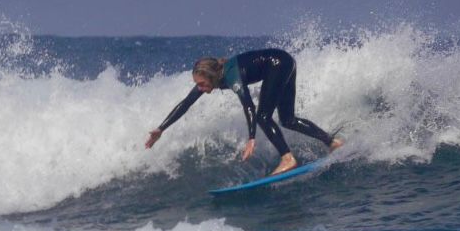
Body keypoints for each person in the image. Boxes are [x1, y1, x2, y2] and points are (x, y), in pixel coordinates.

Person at [145, 48, 342, 175]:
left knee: (263, 117)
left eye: (202, 84)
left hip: (278, 64)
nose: (201, 89)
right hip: (285, 61)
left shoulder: (232, 77)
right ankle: (332, 142)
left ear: (211, 76)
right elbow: (186, 103)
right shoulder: (213, 79)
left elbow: (248, 104)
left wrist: (251, 137)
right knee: (288, 119)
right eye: (198, 85)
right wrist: (161, 129)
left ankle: (287, 158)